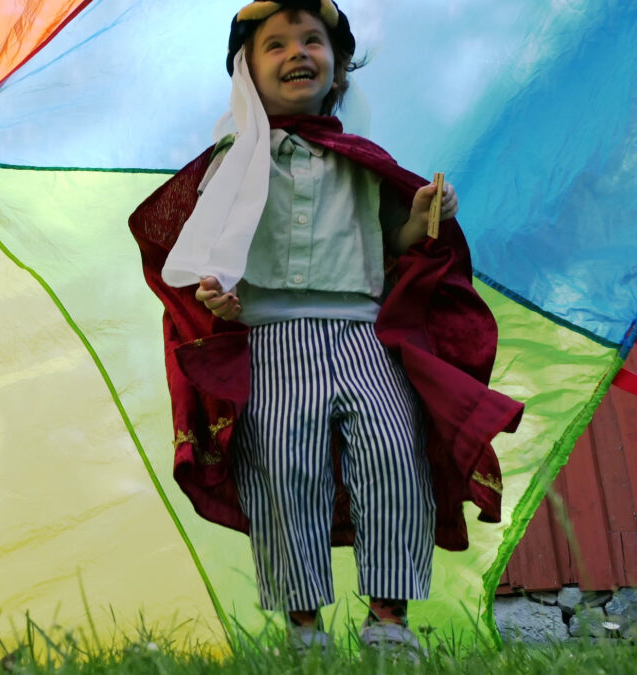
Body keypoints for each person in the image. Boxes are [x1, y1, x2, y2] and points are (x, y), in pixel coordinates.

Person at [128, 0, 523, 652]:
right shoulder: (229, 164)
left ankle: (390, 622)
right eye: (275, 45)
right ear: (246, 72)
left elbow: (396, 245)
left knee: (396, 455)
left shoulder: (363, 159)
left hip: (363, 333)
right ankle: (303, 628)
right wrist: (215, 296)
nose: (297, 54)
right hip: (271, 338)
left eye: (312, 40)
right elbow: (204, 259)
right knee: (284, 467)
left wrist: (423, 213)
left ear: (338, 66)